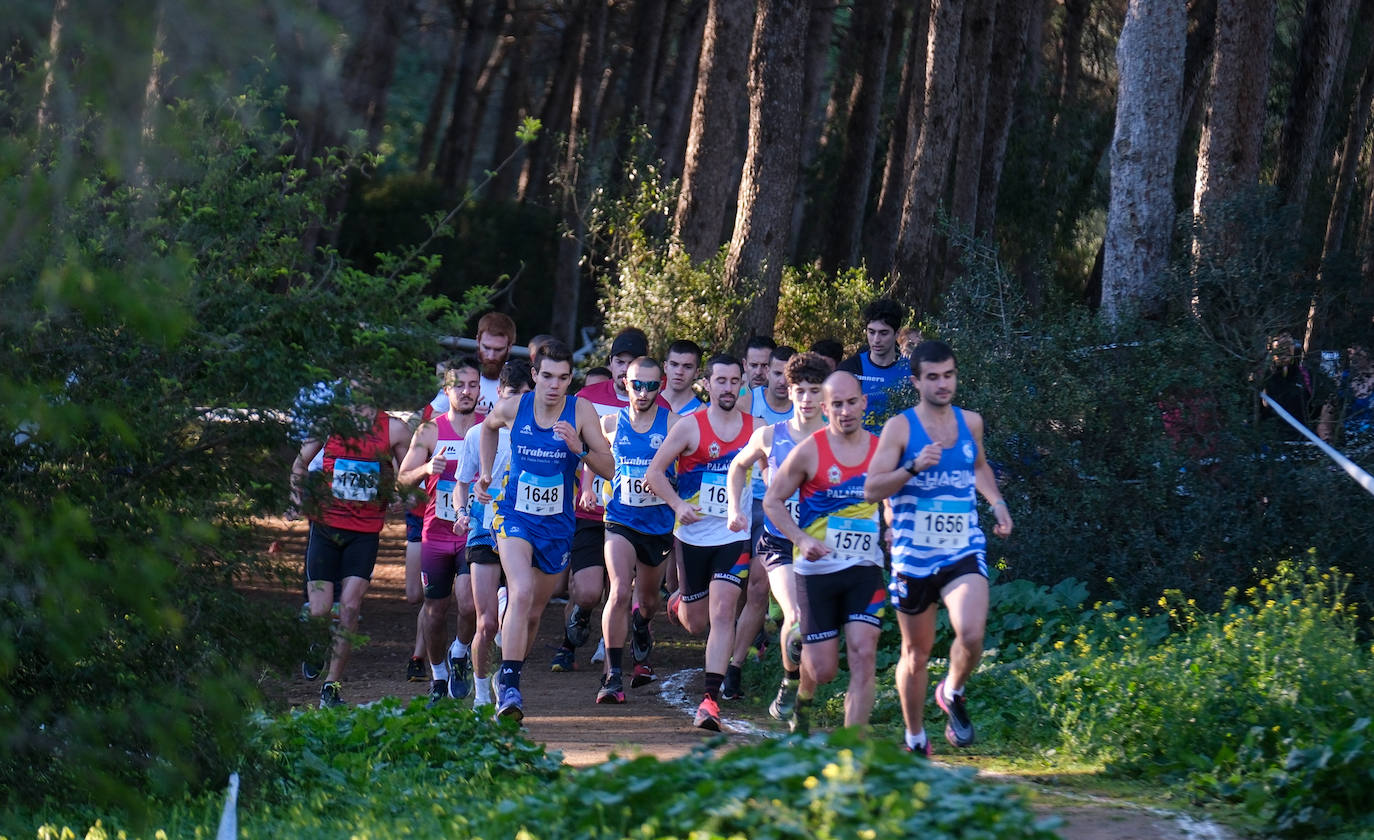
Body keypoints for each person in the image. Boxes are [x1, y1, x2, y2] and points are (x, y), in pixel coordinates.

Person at [863, 340, 1012, 754]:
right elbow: (872, 488)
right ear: (916, 381)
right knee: (917, 652)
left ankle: (952, 690)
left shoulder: (972, 422)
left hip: (962, 546)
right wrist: (911, 467)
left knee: (971, 632)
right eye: (933, 377)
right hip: (914, 554)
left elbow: (978, 465)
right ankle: (915, 736)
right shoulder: (900, 428)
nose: (943, 384)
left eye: (949, 375)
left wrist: (996, 502)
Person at [476, 339, 614, 721]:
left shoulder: (581, 410)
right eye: (547, 376)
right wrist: (486, 472)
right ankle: (510, 689)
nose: (555, 385)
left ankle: (508, 672)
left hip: (557, 524)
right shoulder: (514, 407)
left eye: (564, 378)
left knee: (533, 611)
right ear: (534, 375)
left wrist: (579, 449)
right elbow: (487, 428)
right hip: (514, 515)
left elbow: (610, 468)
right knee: (519, 592)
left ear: (571, 380)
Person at [763, 371, 884, 735]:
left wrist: (893, 524)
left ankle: (853, 748)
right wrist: (801, 539)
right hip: (817, 574)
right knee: (823, 668)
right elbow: (772, 501)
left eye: (851, 403)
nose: (845, 411)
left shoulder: (881, 449)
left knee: (864, 653)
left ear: (864, 403)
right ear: (825, 408)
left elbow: (895, 495)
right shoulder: (809, 451)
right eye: (837, 405)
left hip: (865, 568)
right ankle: (803, 702)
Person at [646, 354, 755, 731]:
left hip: (734, 535)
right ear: (707, 384)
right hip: (692, 536)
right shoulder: (690, 427)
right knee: (695, 623)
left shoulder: (756, 430)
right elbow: (654, 473)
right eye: (720, 381)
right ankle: (679, 602)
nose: (727, 388)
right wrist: (677, 505)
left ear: (742, 385)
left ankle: (709, 700)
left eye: (734, 381)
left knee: (724, 612)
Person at [288, 382, 411, 708]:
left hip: (365, 531)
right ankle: (315, 643)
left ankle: (332, 686)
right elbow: (300, 464)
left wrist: (400, 495)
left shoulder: (394, 429)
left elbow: (408, 474)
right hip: (326, 528)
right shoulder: (328, 423)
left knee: (351, 607)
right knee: (319, 610)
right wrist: (297, 494)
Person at [552, 328, 667, 672]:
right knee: (587, 591)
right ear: (612, 363)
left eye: (633, 364)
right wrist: (584, 486)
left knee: (630, 593)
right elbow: (576, 445)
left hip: (639, 516)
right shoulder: (587, 397)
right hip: (591, 511)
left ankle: (630, 634)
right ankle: (570, 640)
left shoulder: (662, 408)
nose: (625, 370)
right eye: (620, 361)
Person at [726, 350, 828, 722]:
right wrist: (734, 508)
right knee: (796, 615)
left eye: (813, 391)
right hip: (779, 541)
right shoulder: (770, 435)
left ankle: (801, 694)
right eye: (798, 390)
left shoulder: (837, 435)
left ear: (824, 395)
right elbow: (738, 466)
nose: (805, 399)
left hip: (822, 545)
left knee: (817, 631)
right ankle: (788, 679)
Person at [594, 356, 681, 703]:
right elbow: (596, 461)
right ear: (624, 384)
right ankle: (612, 676)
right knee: (618, 590)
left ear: (660, 385)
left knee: (647, 601)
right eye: (636, 385)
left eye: (651, 386)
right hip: (620, 519)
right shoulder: (609, 424)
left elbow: (688, 468)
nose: (643, 392)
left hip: (658, 524)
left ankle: (641, 626)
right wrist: (588, 486)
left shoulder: (674, 423)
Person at [397, 358, 483, 707]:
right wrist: (426, 468)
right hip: (436, 530)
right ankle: (438, 676)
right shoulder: (430, 431)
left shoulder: (488, 427)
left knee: (469, 602)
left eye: (473, 385)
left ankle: (460, 651)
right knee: (434, 612)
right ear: (447, 391)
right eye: (459, 385)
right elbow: (402, 479)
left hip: (474, 529)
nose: (466, 392)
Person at [454, 359, 533, 708]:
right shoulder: (477, 433)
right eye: (514, 393)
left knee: (524, 614)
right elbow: (460, 484)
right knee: (485, 623)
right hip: (484, 528)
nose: (520, 402)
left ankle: (507, 680)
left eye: (526, 394)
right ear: (499, 393)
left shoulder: (538, 432)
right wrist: (461, 512)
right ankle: (481, 692)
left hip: (524, 531)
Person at [721, 345, 797, 701]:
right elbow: (736, 453)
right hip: (749, 506)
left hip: (787, 514)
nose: (781, 380)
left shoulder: (809, 409)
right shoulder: (750, 402)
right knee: (743, 588)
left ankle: (742, 665)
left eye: (787, 374)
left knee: (758, 587)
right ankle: (735, 660)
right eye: (776, 373)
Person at [839, 298, 911, 432]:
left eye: (883, 333)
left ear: (896, 334)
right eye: (871, 332)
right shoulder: (849, 369)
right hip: (860, 449)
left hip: (901, 449)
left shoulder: (912, 371)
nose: (876, 340)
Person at [474, 312, 518, 414]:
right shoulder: (461, 372)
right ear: (478, 341)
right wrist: (463, 413)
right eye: (486, 348)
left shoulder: (520, 378)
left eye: (498, 350)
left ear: (509, 347)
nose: (491, 356)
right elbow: (431, 415)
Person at [664, 339, 705, 415]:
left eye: (687, 367)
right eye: (674, 365)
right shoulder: (650, 402)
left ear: (697, 373)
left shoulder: (702, 413)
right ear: (665, 367)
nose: (679, 372)